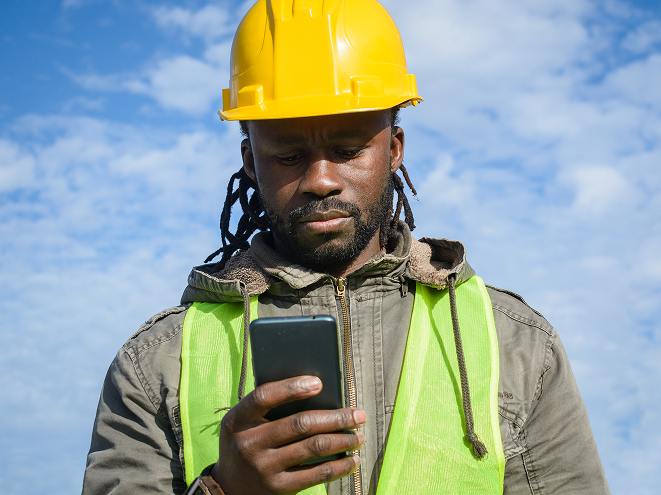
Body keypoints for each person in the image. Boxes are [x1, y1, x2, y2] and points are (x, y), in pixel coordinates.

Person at [82, 1, 611, 494]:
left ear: (394, 148)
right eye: (288, 155)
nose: (320, 180)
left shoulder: (517, 345)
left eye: (347, 149)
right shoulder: (156, 365)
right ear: (250, 159)